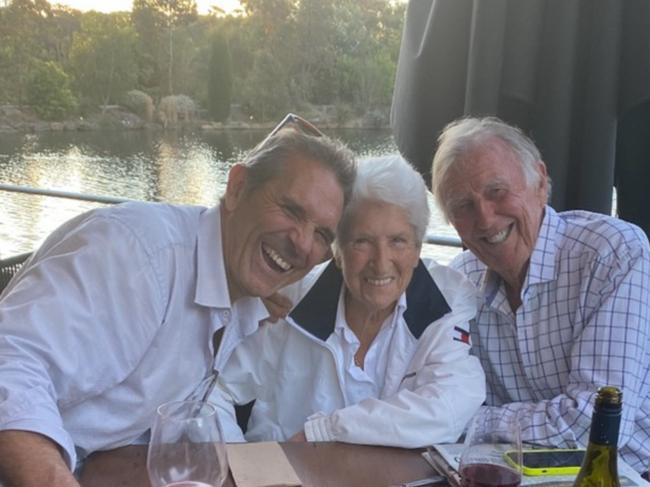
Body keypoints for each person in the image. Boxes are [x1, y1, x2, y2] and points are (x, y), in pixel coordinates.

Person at [0, 116, 356, 487]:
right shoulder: (141, 257)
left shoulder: (240, 292)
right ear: (237, 188)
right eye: (291, 210)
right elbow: (11, 361)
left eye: (321, 235)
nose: (301, 243)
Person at [212, 155, 485, 447]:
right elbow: (213, 392)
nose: (381, 264)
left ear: (417, 248)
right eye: (362, 242)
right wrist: (240, 466)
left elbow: (450, 405)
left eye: (397, 241)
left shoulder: (445, 300)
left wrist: (328, 429)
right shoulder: (287, 300)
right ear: (338, 251)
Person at [430, 116, 650, 474]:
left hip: (626, 473)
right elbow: (432, 391)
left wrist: (471, 419)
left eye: (497, 191)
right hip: (517, 472)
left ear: (541, 182)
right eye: (463, 206)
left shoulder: (610, 253)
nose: (485, 219)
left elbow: (595, 426)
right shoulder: (459, 280)